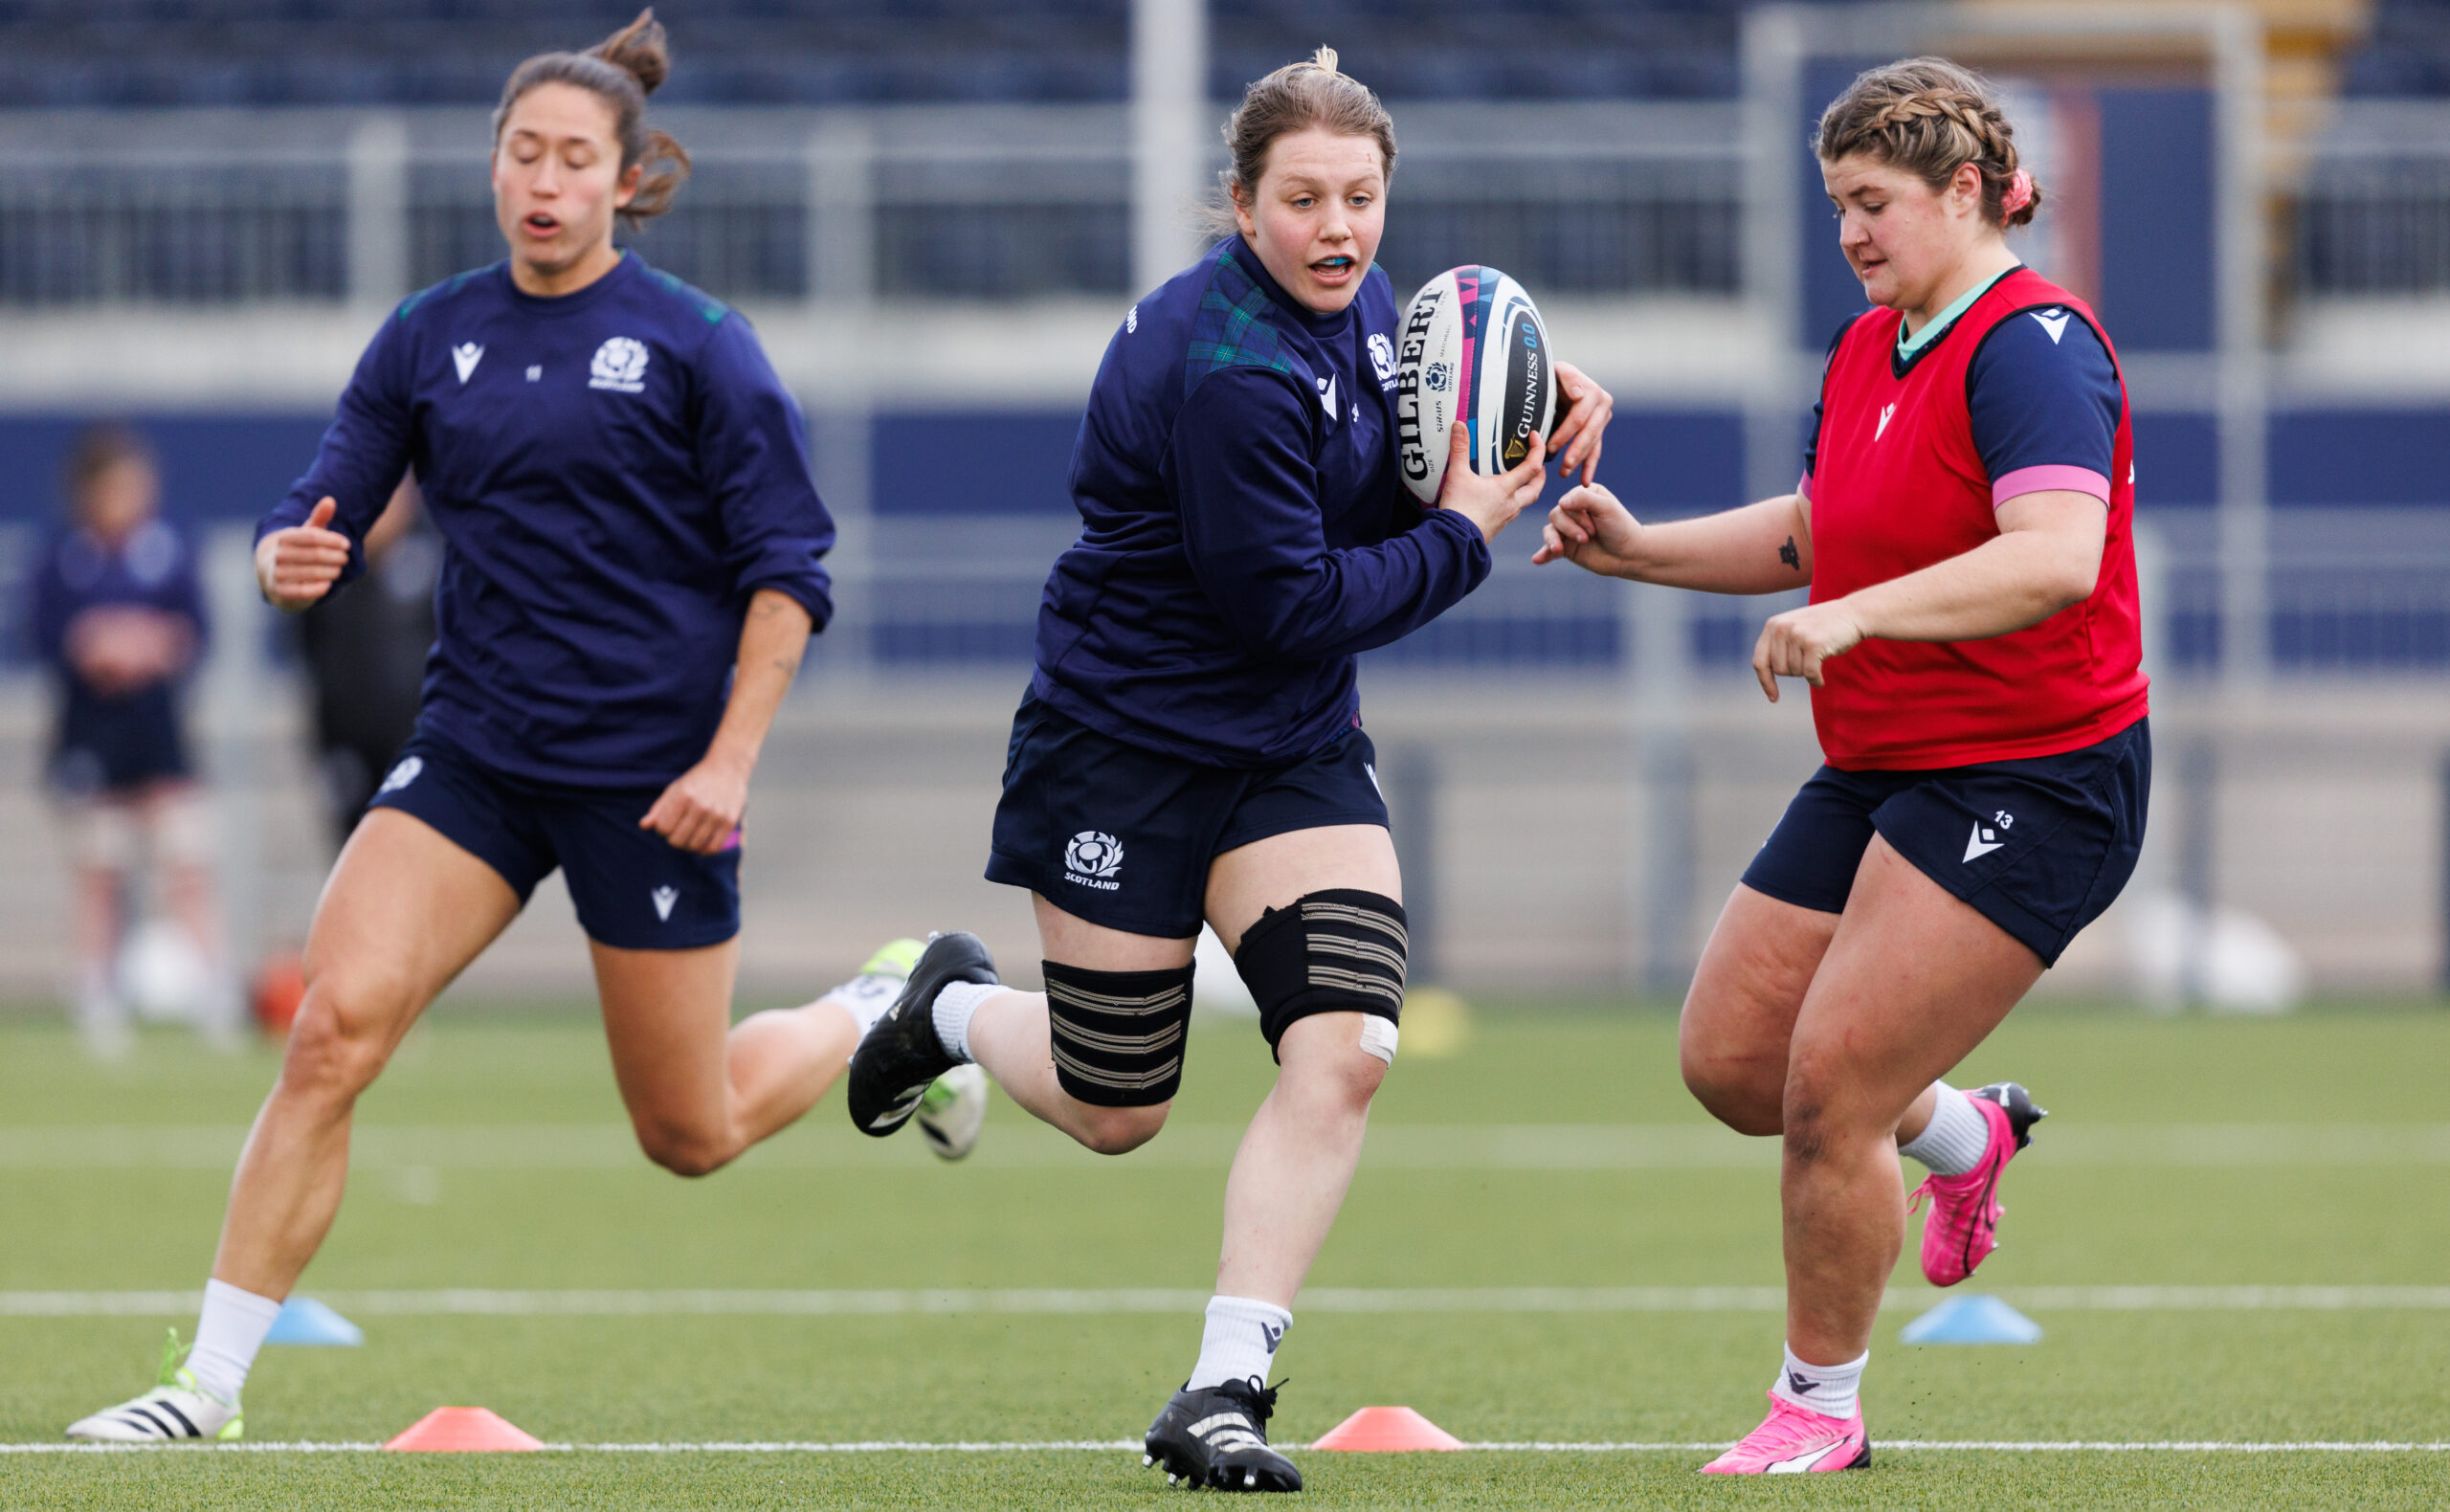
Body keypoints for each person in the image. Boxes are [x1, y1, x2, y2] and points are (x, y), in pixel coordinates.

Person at [66, 11, 983, 1445]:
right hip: (477, 761)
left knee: (689, 1136)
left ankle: (889, 1008)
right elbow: (319, 501)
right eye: (521, 152)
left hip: (656, 781)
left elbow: (790, 578)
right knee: (330, 1033)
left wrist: (728, 759)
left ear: (628, 181)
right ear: (491, 168)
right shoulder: (432, 336)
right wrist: (279, 555)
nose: (543, 179)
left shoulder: (700, 347)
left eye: (574, 157)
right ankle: (206, 1388)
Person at [843, 49, 1614, 1493]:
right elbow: (1294, 604)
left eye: (1364, 198)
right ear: (1242, 206)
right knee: (1117, 1105)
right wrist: (1469, 523)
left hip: (1289, 751)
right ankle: (945, 1008)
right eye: (1304, 199)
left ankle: (1223, 1386)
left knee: (1348, 1047)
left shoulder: (1365, 304)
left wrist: (1511, 405)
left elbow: (1377, 467)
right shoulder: (1228, 369)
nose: (1340, 228)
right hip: (1122, 747)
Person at [1535, 57, 2147, 1474]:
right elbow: (1823, 535)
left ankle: (1817, 1411)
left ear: (1968, 193)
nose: (1854, 233)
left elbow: (2053, 560)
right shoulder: (1877, 342)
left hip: (2035, 774)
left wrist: (1859, 618)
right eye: (1839, 208)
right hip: (1890, 757)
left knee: (1830, 1091)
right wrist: (1639, 550)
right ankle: (1965, 1139)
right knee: (1734, 1063)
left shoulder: (2037, 344)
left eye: (1875, 203)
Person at [27, 423, 235, 1056]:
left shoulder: (170, 547)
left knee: (186, 861)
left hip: (159, 733)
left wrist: (150, 644)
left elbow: (196, 630)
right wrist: (94, 643)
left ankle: (212, 991)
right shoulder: (64, 555)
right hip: (93, 733)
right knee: (99, 870)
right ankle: (97, 995)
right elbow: (44, 637)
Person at [294, 474, 437, 845]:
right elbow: (309, 651)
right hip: (347, 742)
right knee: (353, 851)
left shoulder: (436, 559)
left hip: (422, 742)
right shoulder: (326, 569)